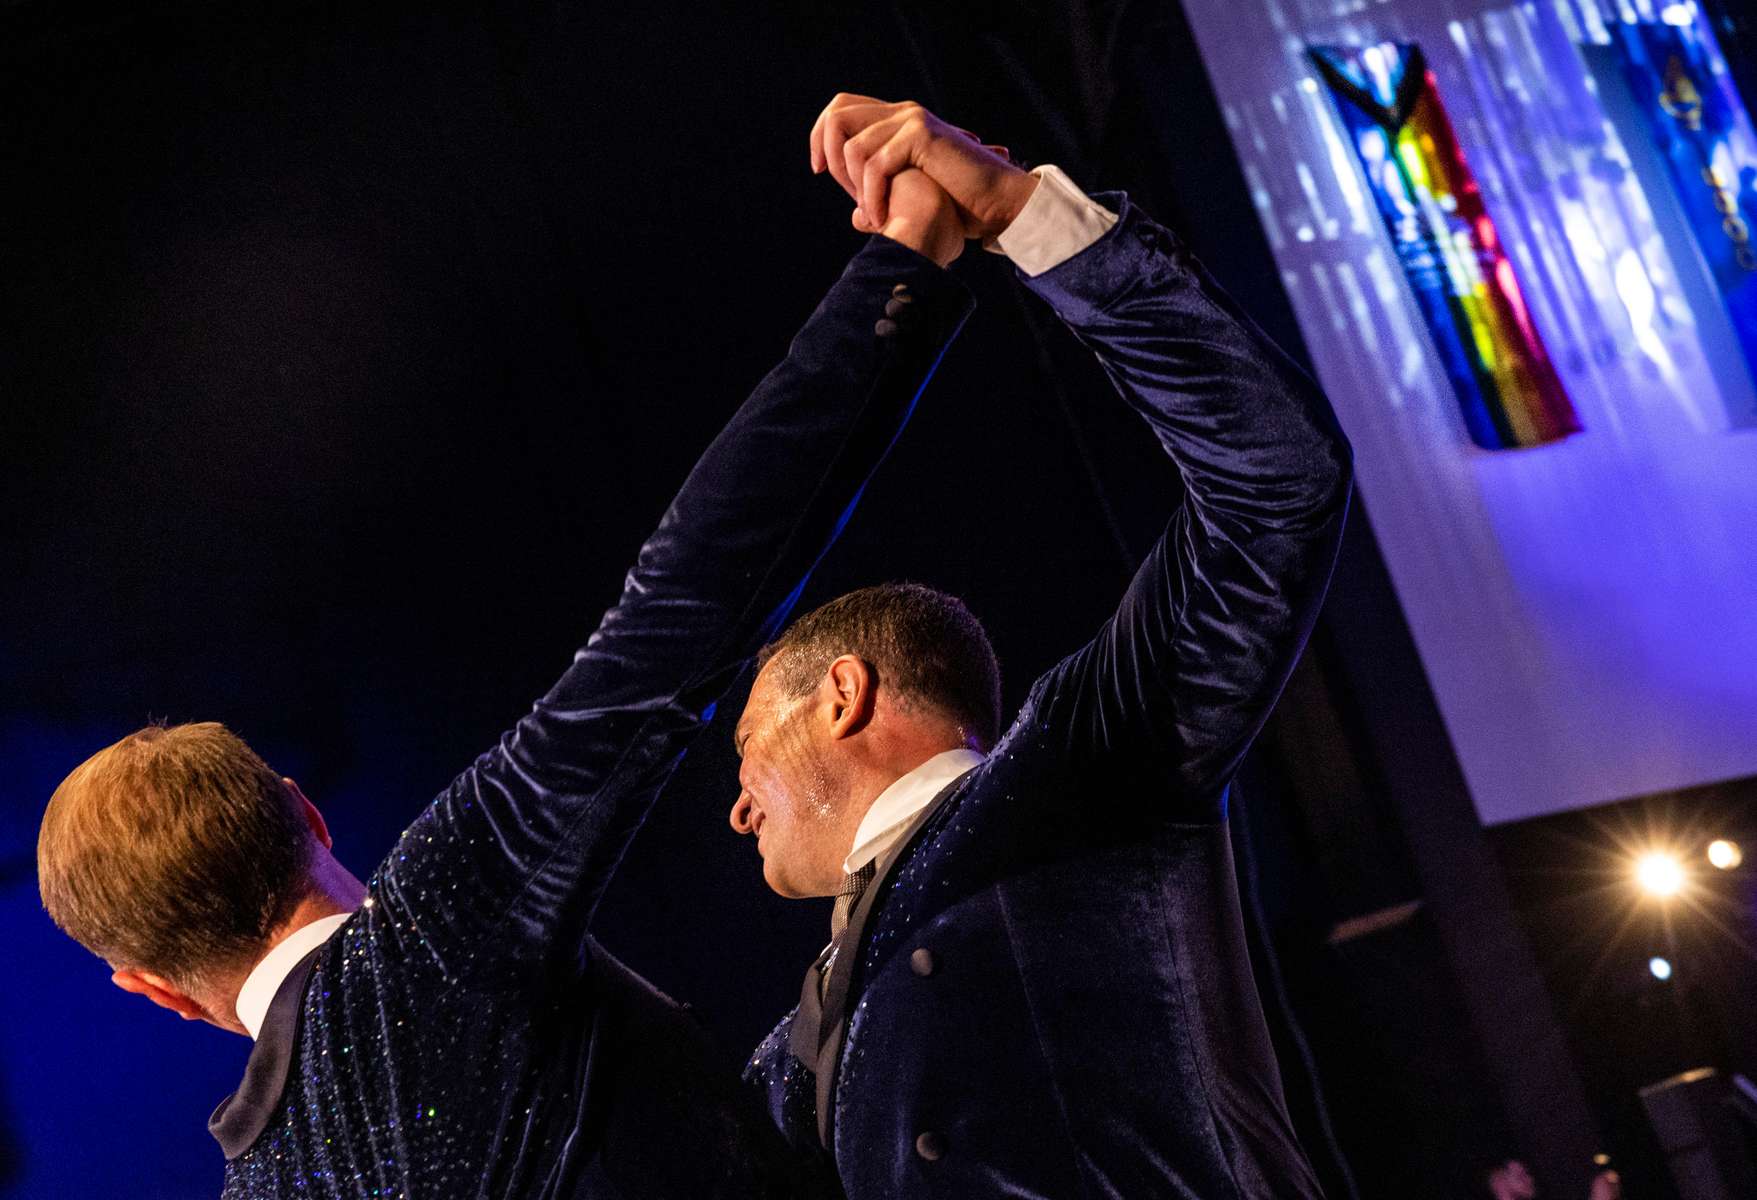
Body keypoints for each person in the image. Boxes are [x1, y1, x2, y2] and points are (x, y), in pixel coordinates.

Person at [37, 163, 977, 1198]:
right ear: (305, 812)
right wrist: (903, 269)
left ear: (153, 991)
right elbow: (691, 594)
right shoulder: (434, 918)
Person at [729, 94, 1355, 1197]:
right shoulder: (788, 1056)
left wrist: (1018, 210)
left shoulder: (1077, 768)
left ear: (839, 695)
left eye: (743, 755)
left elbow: (1274, 485)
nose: (737, 808)